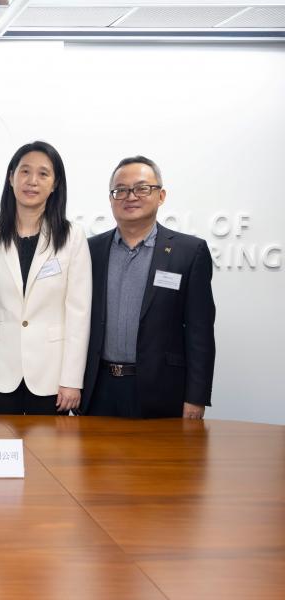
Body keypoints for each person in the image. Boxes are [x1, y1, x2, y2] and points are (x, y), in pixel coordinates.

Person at [81, 156, 215, 419]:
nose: (130, 196)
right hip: (98, 389)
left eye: (142, 188)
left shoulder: (189, 252)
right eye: (120, 190)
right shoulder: (90, 250)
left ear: (161, 195)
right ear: (111, 198)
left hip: (162, 390)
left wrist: (196, 398)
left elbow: (200, 332)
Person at [0, 141, 91, 415]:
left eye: (43, 174)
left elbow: (79, 313)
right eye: (24, 171)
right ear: (11, 177)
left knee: (49, 456)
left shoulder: (73, 237)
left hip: (52, 376)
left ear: (55, 183)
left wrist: (72, 380)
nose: (32, 181)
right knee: (0, 453)